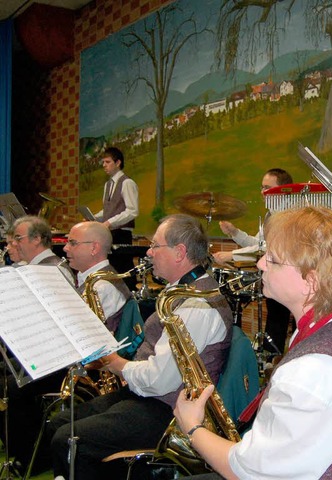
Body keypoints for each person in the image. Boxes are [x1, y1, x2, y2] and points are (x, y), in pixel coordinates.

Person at [175, 206, 332, 479]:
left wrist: (193, 427)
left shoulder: (316, 369)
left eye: (272, 259)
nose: (259, 264)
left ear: (311, 281)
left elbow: (247, 473)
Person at [48, 214, 234, 480]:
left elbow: (159, 381)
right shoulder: (180, 291)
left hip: (168, 411)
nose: (149, 252)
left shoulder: (197, 305)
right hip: (151, 396)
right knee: (60, 422)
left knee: (69, 438)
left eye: (155, 246)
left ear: (179, 252)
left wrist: (115, 363)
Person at [0, 221, 130, 475]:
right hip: (71, 359)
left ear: (94, 248)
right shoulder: (89, 280)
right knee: (9, 377)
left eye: (72, 243)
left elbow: (86, 339)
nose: (65, 248)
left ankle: (33, 457)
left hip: (86, 368)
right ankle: (29, 450)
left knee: (13, 388)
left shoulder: (103, 286)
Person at [213, 168, 293, 354]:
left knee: (286, 323)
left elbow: (268, 247)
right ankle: (270, 360)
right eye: (261, 187)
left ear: (283, 190)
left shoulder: (289, 214)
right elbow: (258, 243)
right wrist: (235, 233)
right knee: (276, 321)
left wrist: (233, 255)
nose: (262, 192)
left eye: (268, 187)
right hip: (277, 276)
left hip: (292, 277)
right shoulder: (271, 214)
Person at [94, 146, 139, 285]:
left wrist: (109, 222)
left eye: (107, 162)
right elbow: (109, 210)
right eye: (103, 162)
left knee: (123, 269)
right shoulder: (107, 185)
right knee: (111, 269)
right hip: (111, 232)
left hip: (122, 234)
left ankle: (129, 296)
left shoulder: (127, 183)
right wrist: (94, 218)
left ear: (118, 163)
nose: (104, 165)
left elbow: (132, 210)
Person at [8, 215, 74, 285]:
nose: (14, 243)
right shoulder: (31, 265)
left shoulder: (55, 270)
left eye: (18, 238)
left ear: (36, 239)